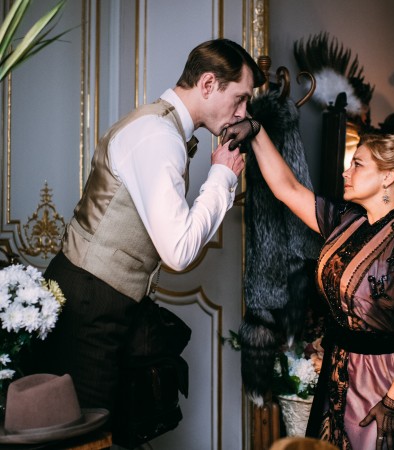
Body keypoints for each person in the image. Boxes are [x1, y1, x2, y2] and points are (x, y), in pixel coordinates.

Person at [24, 39, 265, 414]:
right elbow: (178, 251)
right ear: (207, 84)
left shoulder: (161, 127)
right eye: (240, 98)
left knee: (90, 425)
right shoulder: (158, 137)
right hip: (90, 303)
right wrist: (221, 176)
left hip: (99, 297)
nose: (242, 112)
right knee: (82, 428)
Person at [225, 123, 394, 449]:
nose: (347, 172)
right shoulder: (347, 220)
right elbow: (287, 188)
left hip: (386, 379)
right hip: (339, 372)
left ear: (388, 176)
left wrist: (393, 403)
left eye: (358, 164)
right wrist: (257, 132)